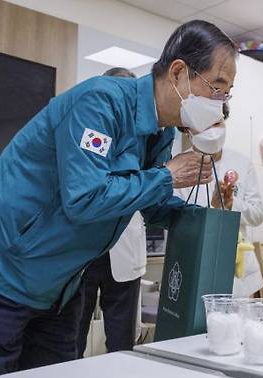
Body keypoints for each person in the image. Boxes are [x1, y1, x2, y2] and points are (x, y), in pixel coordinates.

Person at [0, 20, 237, 378]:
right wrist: (167, 176)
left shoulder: (160, 134)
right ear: (179, 73)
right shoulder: (100, 102)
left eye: (227, 94)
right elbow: (84, 198)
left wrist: (207, 214)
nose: (220, 104)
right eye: (217, 87)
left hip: (59, 284)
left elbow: (151, 205)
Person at [75, 67, 145, 358]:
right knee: (73, 337)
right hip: (86, 251)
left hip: (124, 251)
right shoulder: (91, 132)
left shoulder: (143, 140)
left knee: (122, 342)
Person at [175, 104, 263, 297]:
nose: (212, 131)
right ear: (187, 129)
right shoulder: (178, 166)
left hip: (238, 267)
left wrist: (232, 204)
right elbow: (178, 222)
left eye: (217, 122)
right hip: (198, 263)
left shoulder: (242, 162)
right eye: (204, 125)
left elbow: (258, 215)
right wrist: (214, 209)